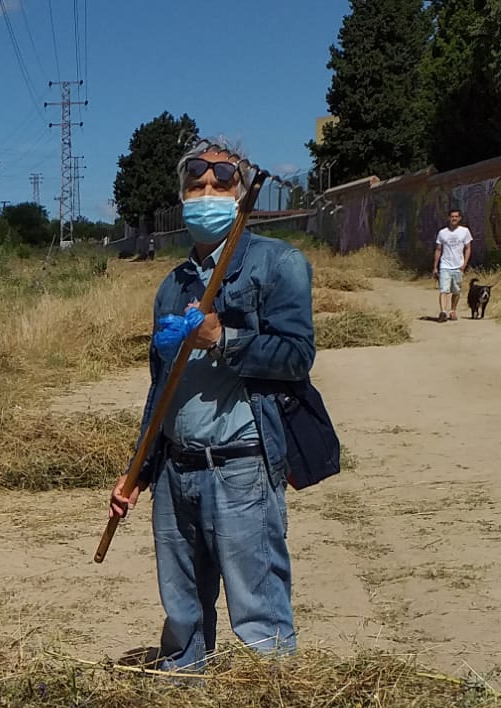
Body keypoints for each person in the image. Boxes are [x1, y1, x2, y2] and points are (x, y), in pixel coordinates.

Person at [106, 138, 336, 672]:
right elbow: (160, 385)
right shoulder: (174, 285)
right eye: (196, 184)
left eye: (221, 182)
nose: (207, 192)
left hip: (241, 466)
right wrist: (135, 472)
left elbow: (298, 356)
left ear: (241, 193)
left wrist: (225, 338)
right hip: (176, 470)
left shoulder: (278, 265)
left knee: (258, 610)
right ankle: (183, 703)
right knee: (182, 611)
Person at [433, 206, 473, 321]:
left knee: (456, 291)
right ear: (448, 218)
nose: (454, 219)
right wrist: (435, 267)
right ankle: (443, 312)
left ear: (459, 218)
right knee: (444, 290)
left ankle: (453, 310)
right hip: (445, 265)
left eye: (456, 217)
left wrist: (464, 264)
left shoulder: (464, 231)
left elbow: (468, 248)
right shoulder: (442, 233)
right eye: (452, 217)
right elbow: (438, 249)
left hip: (458, 266)